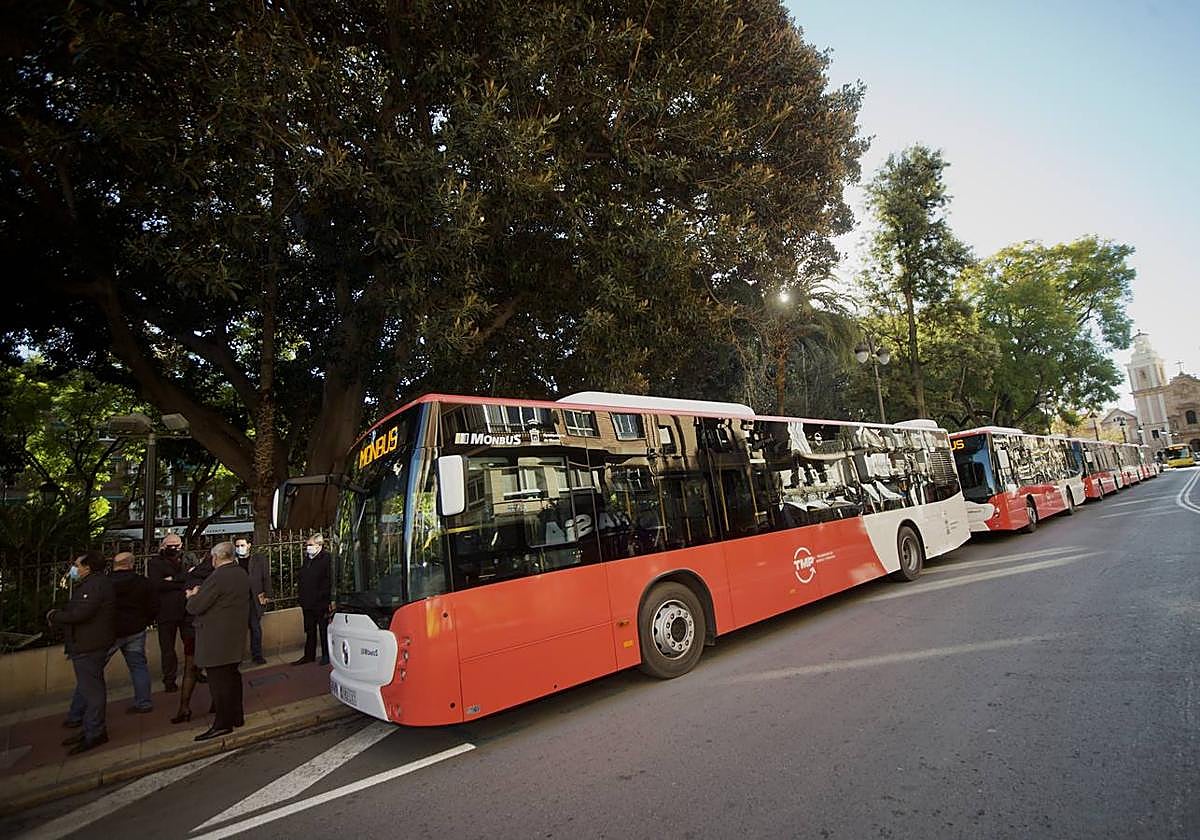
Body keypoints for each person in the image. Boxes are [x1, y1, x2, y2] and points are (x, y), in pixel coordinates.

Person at [49, 551, 116, 755]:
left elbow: (82, 613)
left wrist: (56, 616)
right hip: (86, 643)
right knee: (89, 689)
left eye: (77, 565)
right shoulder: (94, 584)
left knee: (92, 690)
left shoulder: (95, 586)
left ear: (88, 567)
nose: (74, 568)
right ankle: (90, 727)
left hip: (90, 644)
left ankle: (95, 731)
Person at [185, 541, 249, 741]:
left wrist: (192, 596)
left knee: (219, 682)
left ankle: (223, 723)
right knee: (232, 677)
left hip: (217, 638)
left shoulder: (217, 577)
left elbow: (195, 607)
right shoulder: (240, 573)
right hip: (234, 635)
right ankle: (237, 716)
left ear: (217, 557)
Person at [106, 551, 158, 713]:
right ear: (131, 564)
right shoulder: (142, 582)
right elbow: (153, 605)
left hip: (111, 631)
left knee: (92, 670)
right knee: (139, 666)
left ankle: (77, 712)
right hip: (135, 629)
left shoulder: (105, 583)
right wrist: (146, 621)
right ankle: (144, 702)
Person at [170, 547, 214, 723]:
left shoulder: (191, 575)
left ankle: (184, 707)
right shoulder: (217, 577)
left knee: (190, 670)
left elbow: (184, 602)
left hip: (191, 628)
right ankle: (216, 703)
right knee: (214, 669)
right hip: (210, 628)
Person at [147, 533, 189, 692]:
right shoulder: (155, 563)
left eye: (177, 545)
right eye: (170, 545)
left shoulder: (186, 559)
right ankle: (169, 679)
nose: (174, 548)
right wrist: (180, 581)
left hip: (186, 609)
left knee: (191, 644)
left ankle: (194, 672)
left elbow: (191, 577)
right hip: (165, 611)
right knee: (167, 648)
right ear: (163, 546)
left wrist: (172, 579)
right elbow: (157, 584)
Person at [293, 533, 331, 666]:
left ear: (319, 545)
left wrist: (325, 597)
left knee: (323, 629)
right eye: (307, 545)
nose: (308, 547)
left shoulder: (326, 559)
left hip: (321, 602)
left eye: (311, 545)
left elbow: (328, 580)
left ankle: (326, 655)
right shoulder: (307, 559)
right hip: (307, 602)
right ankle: (309, 655)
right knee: (310, 630)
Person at [235, 536, 272, 665]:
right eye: (238, 546)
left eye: (242, 545)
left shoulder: (258, 559)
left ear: (249, 545)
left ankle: (257, 655)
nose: (240, 548)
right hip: (238, 601)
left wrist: (267, 594)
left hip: (253, 600)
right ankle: (236, 658)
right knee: (238, 631)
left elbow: (266, 577)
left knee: (255, 629)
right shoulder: (233, 562)